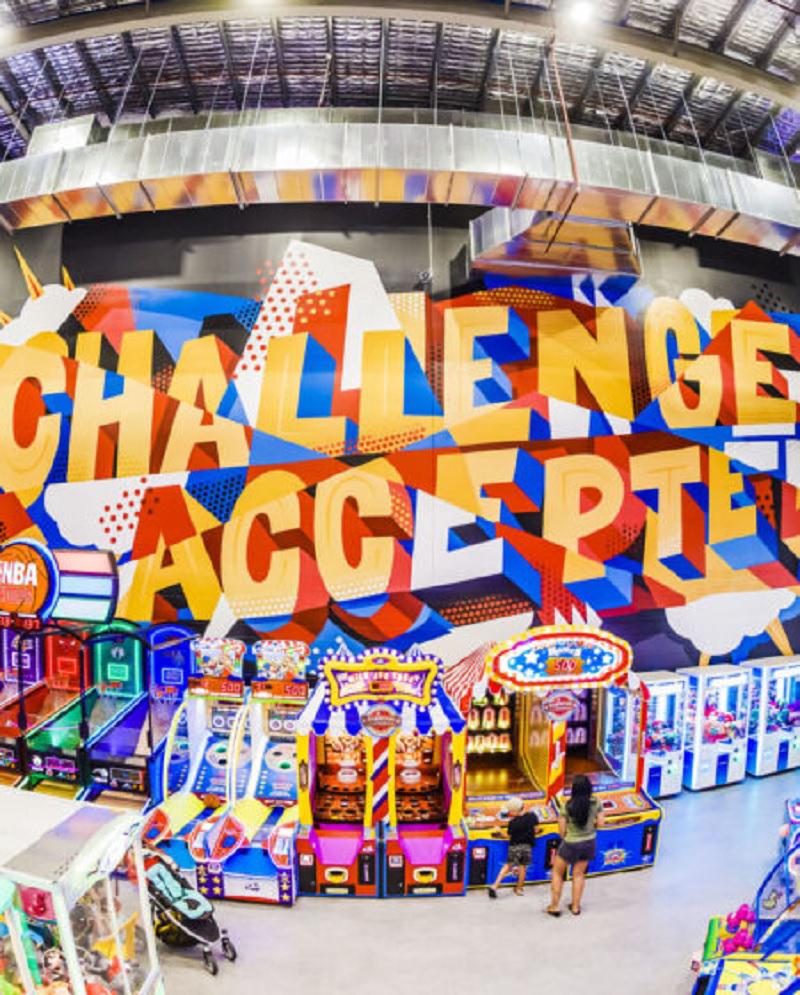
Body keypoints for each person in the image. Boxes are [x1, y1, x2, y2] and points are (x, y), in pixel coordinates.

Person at [546, 774, 604, 917]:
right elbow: (601, 824)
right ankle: (575, 907)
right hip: (589, 843)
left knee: (557, 873)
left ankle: (555, 906)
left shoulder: (567, 806)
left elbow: (561, 831)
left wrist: (569, 836)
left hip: (571, 843)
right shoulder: (596, 802)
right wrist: (590, 830)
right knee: (578, 875)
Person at [487, 797, 538, 898]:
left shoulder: (513, 823)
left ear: (515, 811)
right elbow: (536, 829)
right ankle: (519, 889)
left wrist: (499, 830)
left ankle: (494, 886)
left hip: (515, 846)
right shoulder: (532, 816)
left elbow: (508, 836)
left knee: (507, 866)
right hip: (527, 846)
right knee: (523, 868)